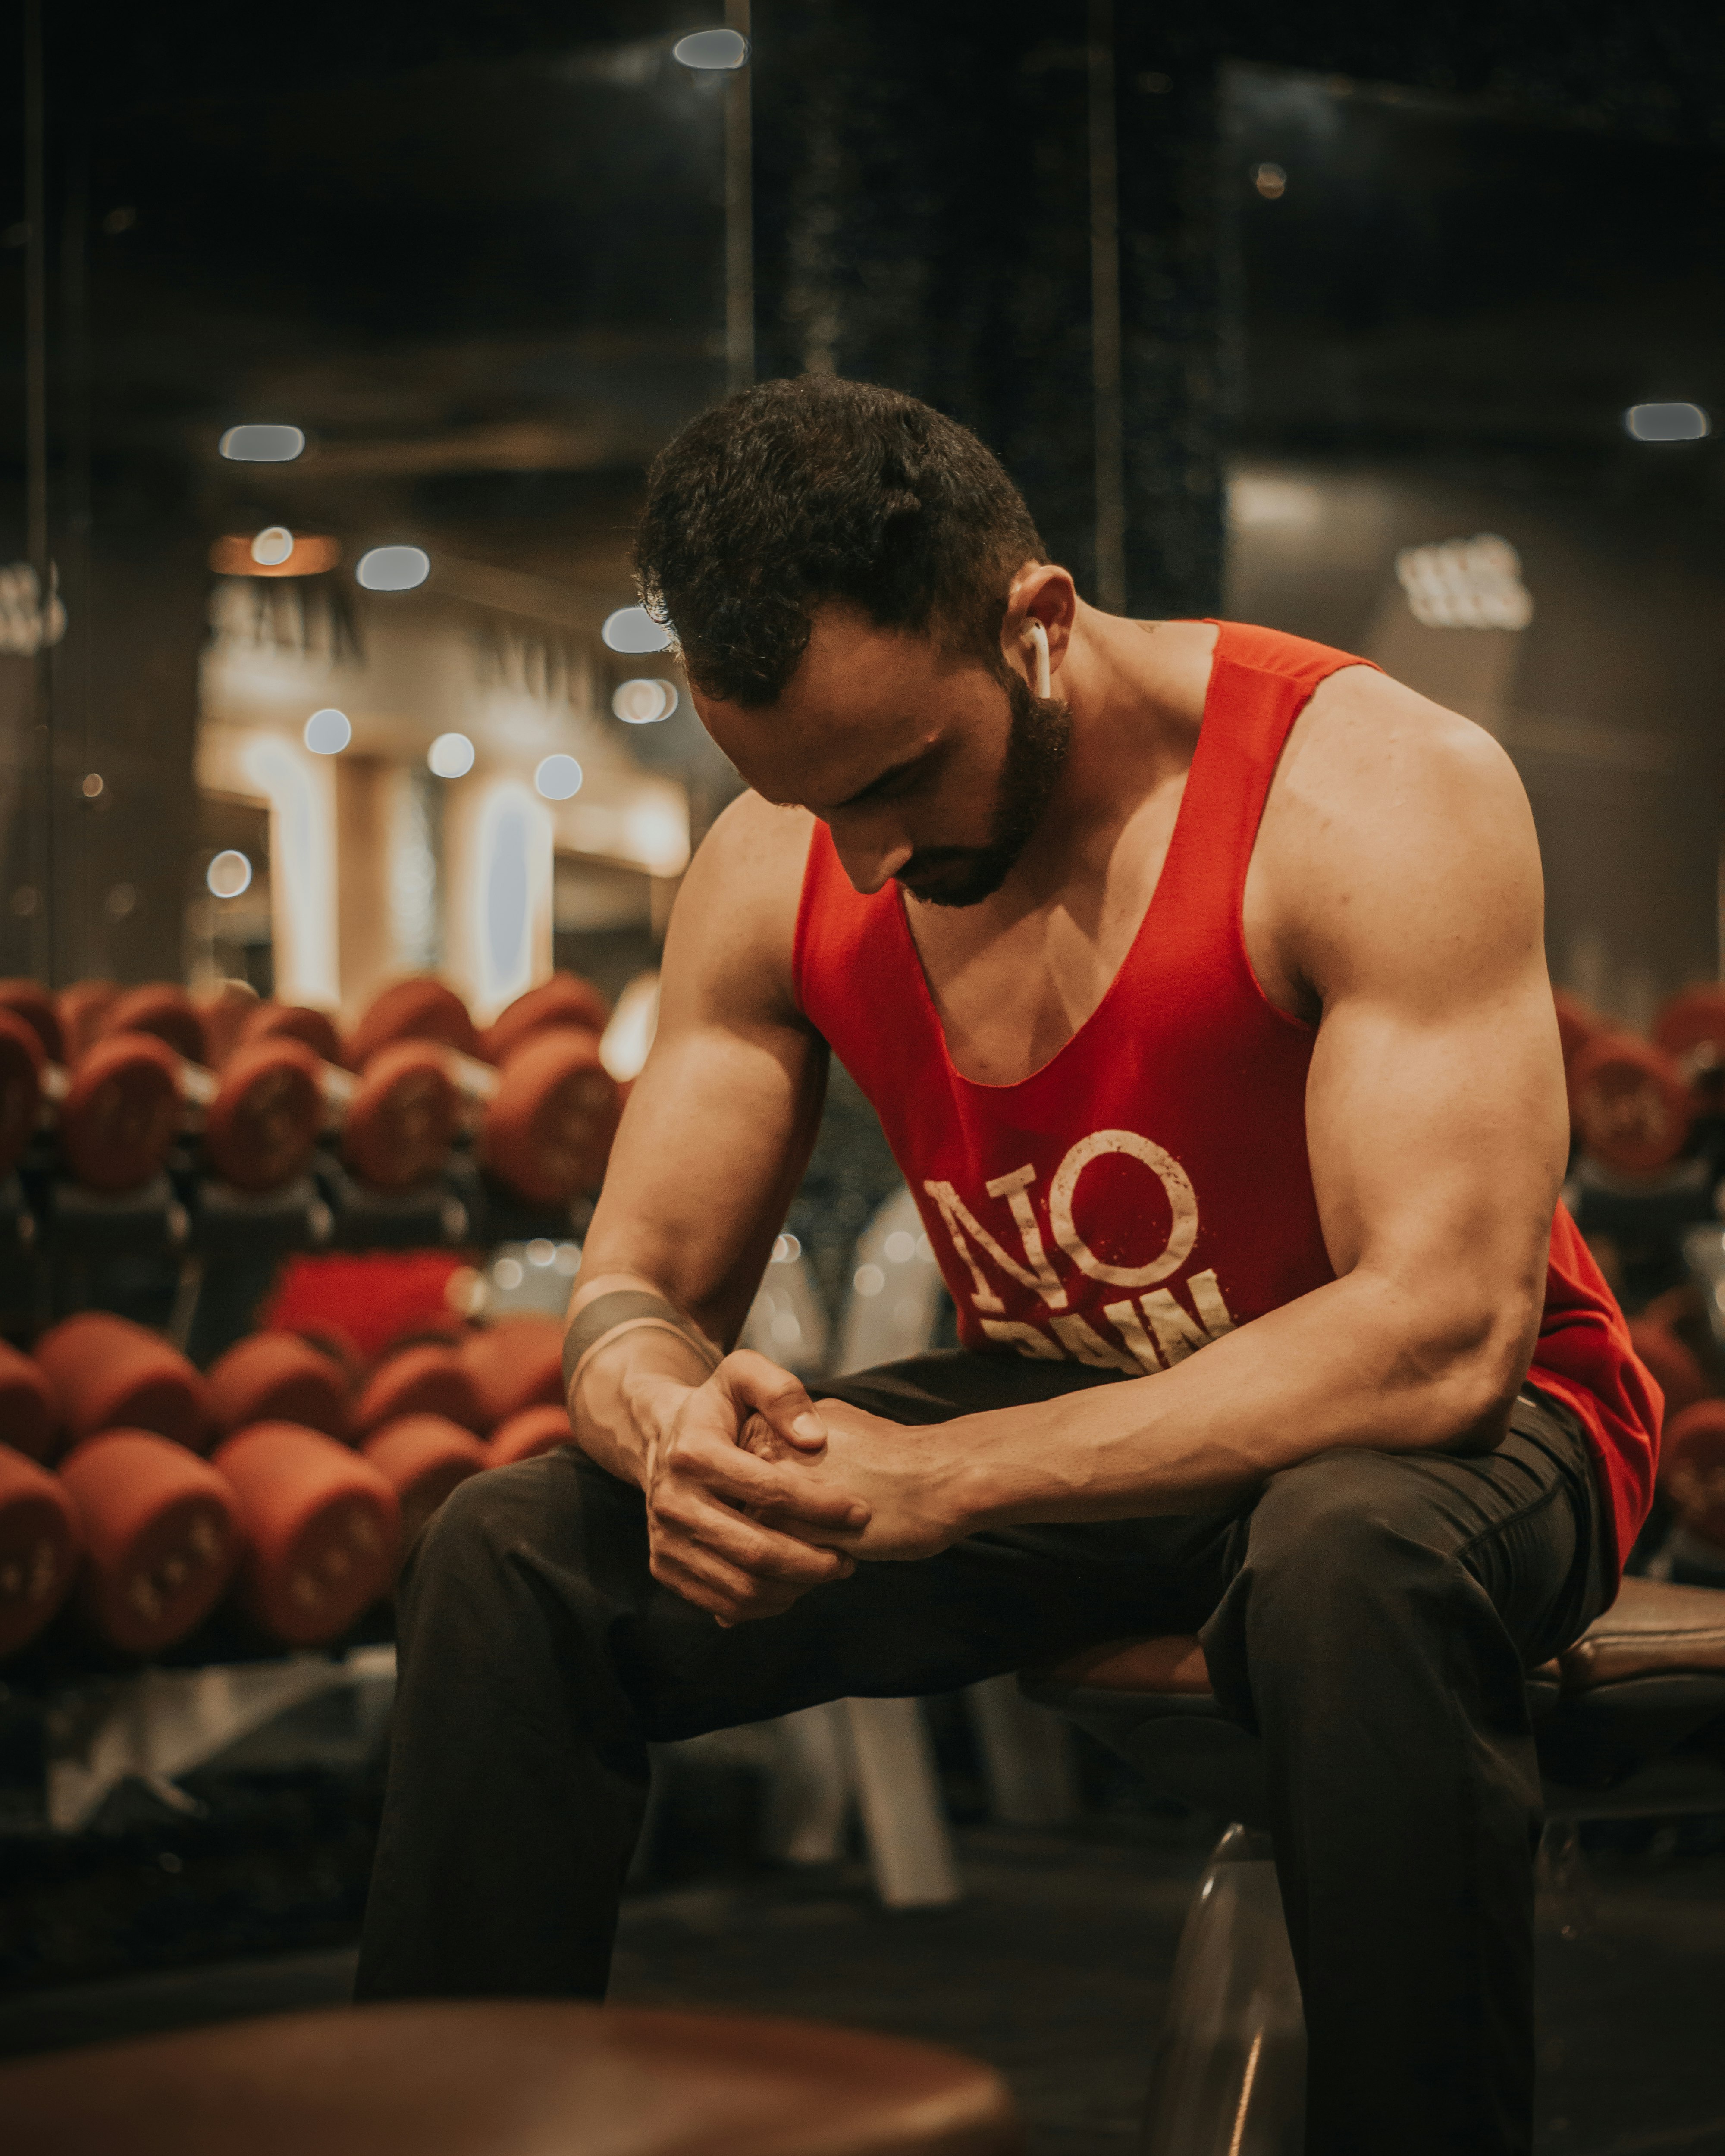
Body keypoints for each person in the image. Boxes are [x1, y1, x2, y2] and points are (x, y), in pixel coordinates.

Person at [356, 377, 1658, 2156]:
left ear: (1034, 622)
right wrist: (667, 1427)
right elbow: (631, 1283)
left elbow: (1436, 1338)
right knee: (513, 1552)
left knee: (1346, 1549)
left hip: (1462, 1423)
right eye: (817, 806)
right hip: (1075, 1406)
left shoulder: (1364, 789)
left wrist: (943, 1473)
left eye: (898, 775)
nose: (872, 853)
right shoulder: (786, 852)